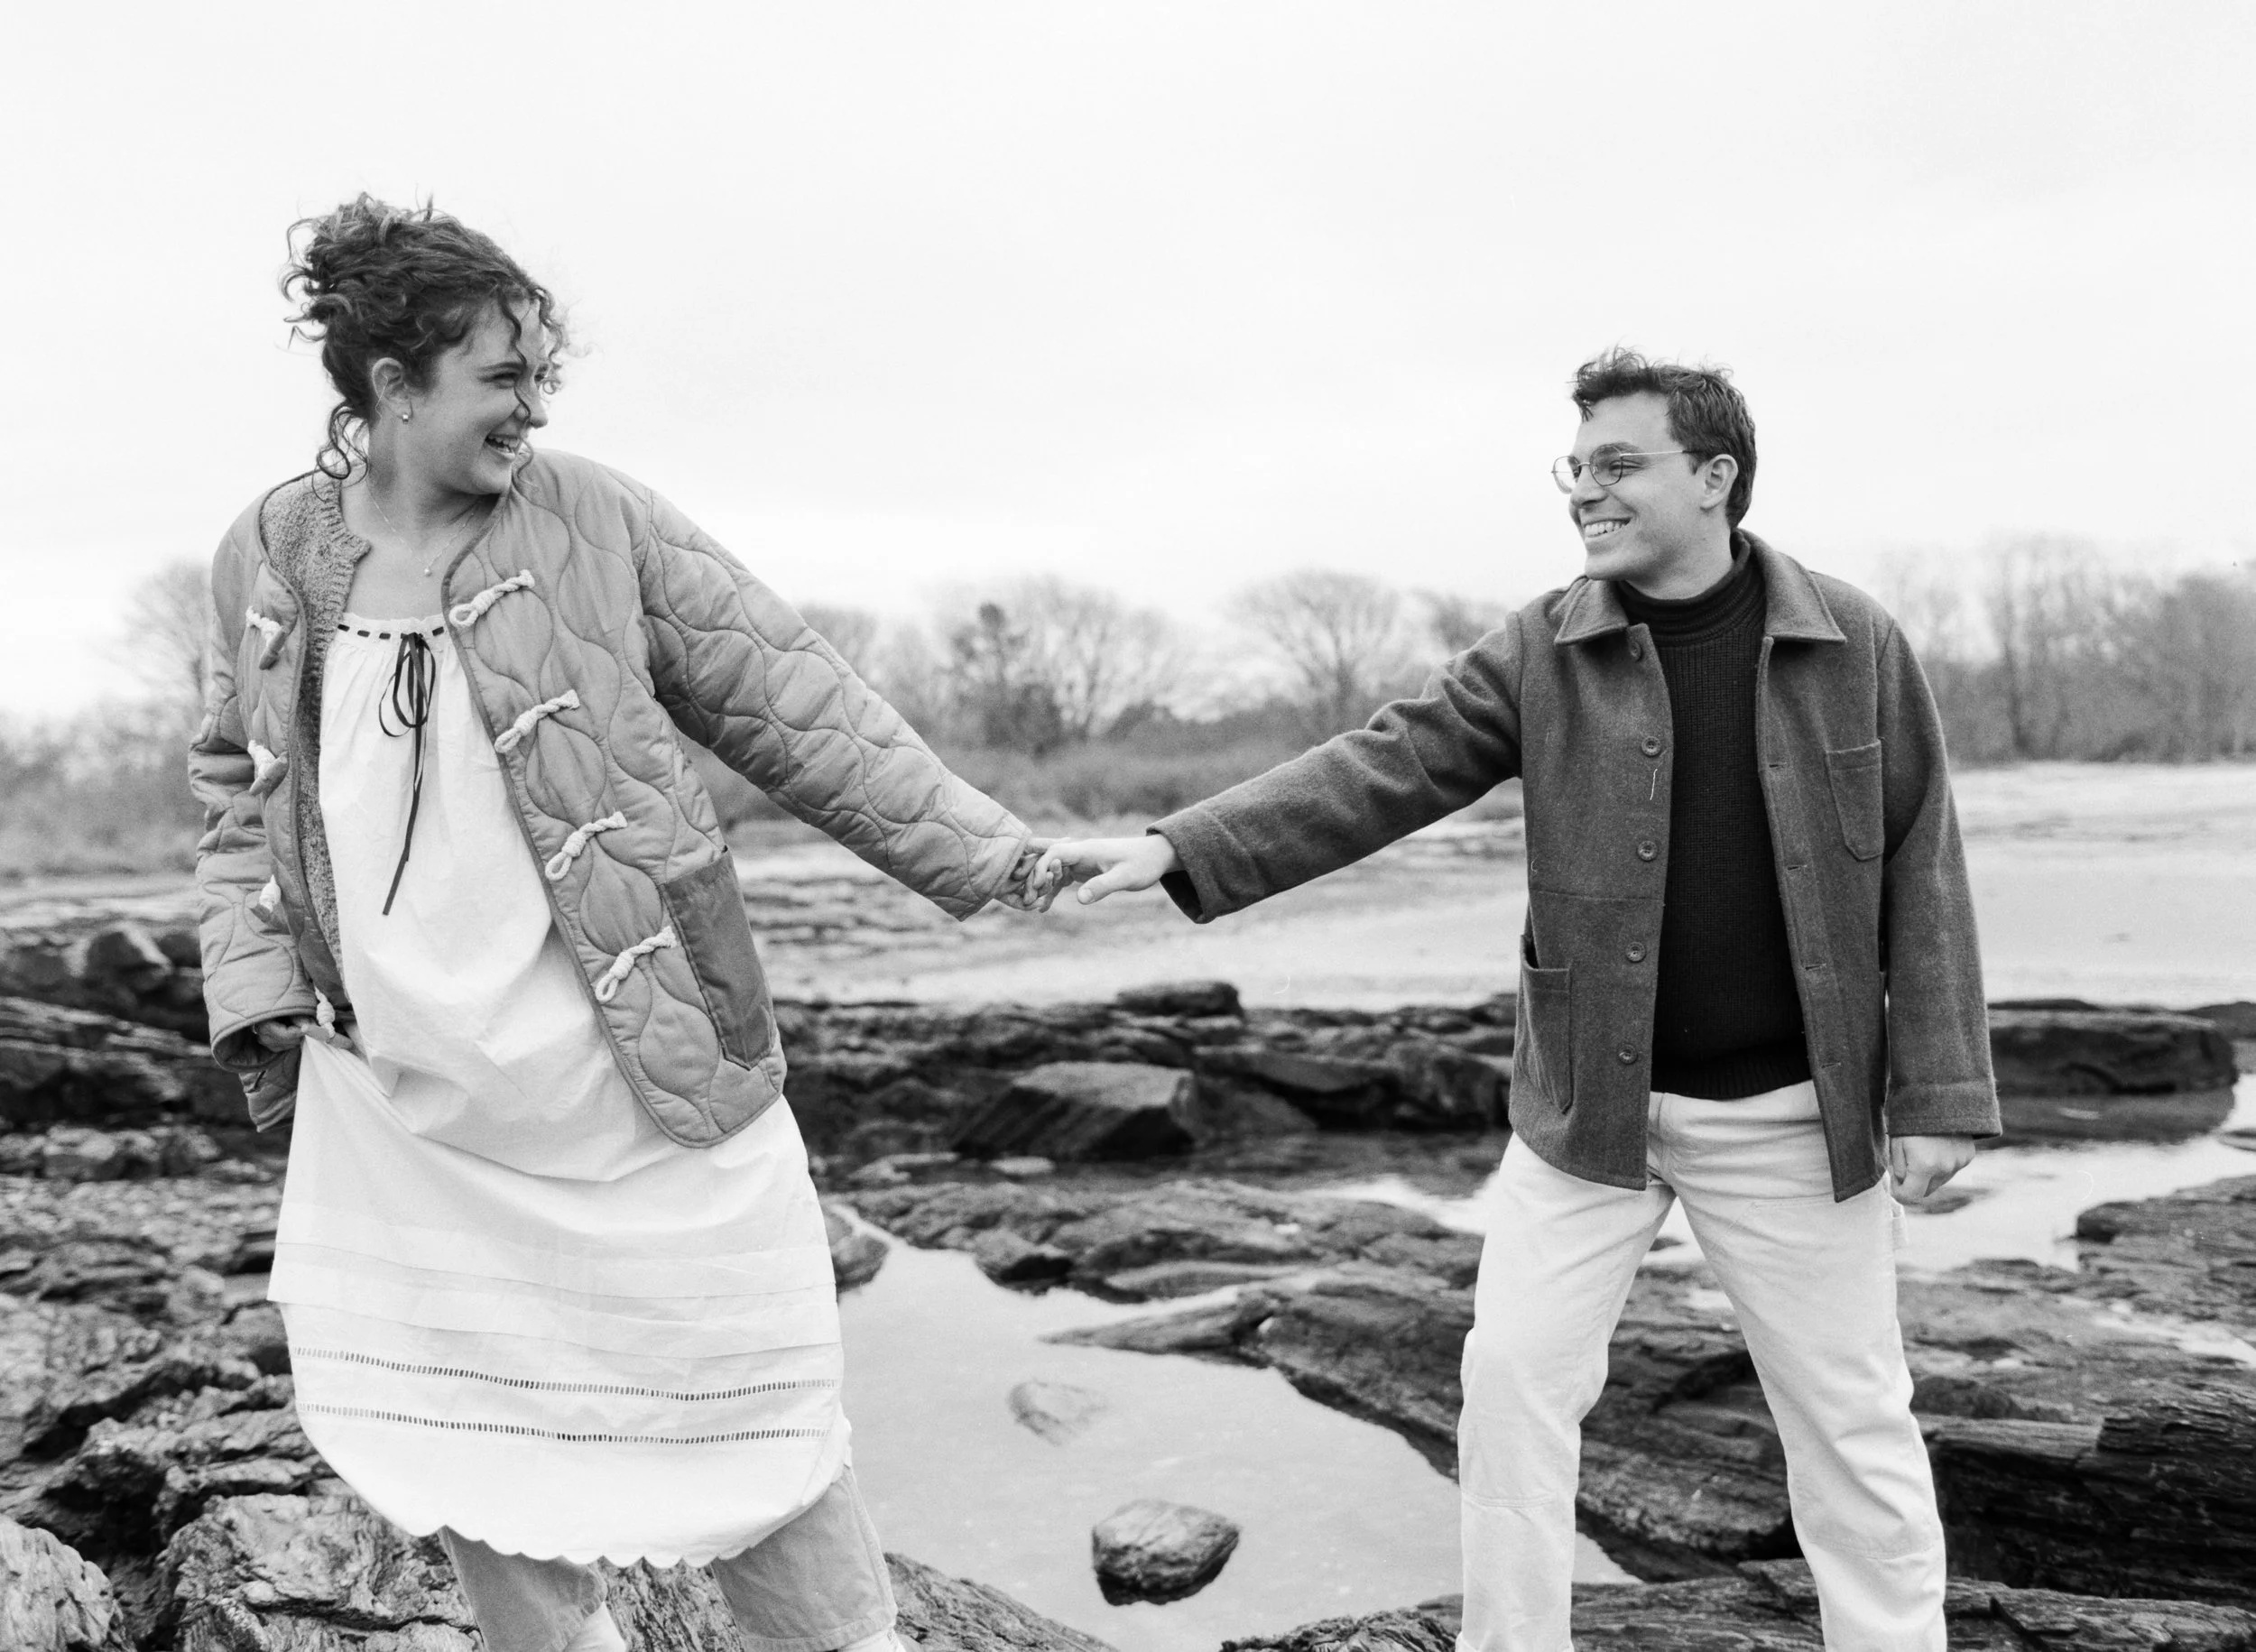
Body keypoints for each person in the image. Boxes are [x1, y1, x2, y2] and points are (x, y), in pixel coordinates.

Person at [190, 195, 1054, 1652]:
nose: (533, 408)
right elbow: (233, 782)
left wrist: (1000, 858)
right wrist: (255, 975)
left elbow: (799, 700)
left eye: (544, 379)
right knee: (477, 1433)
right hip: (408, 1092)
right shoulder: (269, 549)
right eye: (502, 378)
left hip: (646, 1060)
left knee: (757, 1403)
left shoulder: (595, 516)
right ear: (392, 386)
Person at [1038, 350, 1997, 1652]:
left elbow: (1922, 863)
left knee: (1853, 1420)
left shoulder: (1852, 637)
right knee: (1509, 1383)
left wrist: (1938, 1096)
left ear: (1714, 478)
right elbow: (1387, 761)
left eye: (1618, 465)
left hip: (1793, 1121)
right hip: (1588, 1115)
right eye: (1576, 467)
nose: (1584, 493)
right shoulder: (1546, 646)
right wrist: (1180, 847)